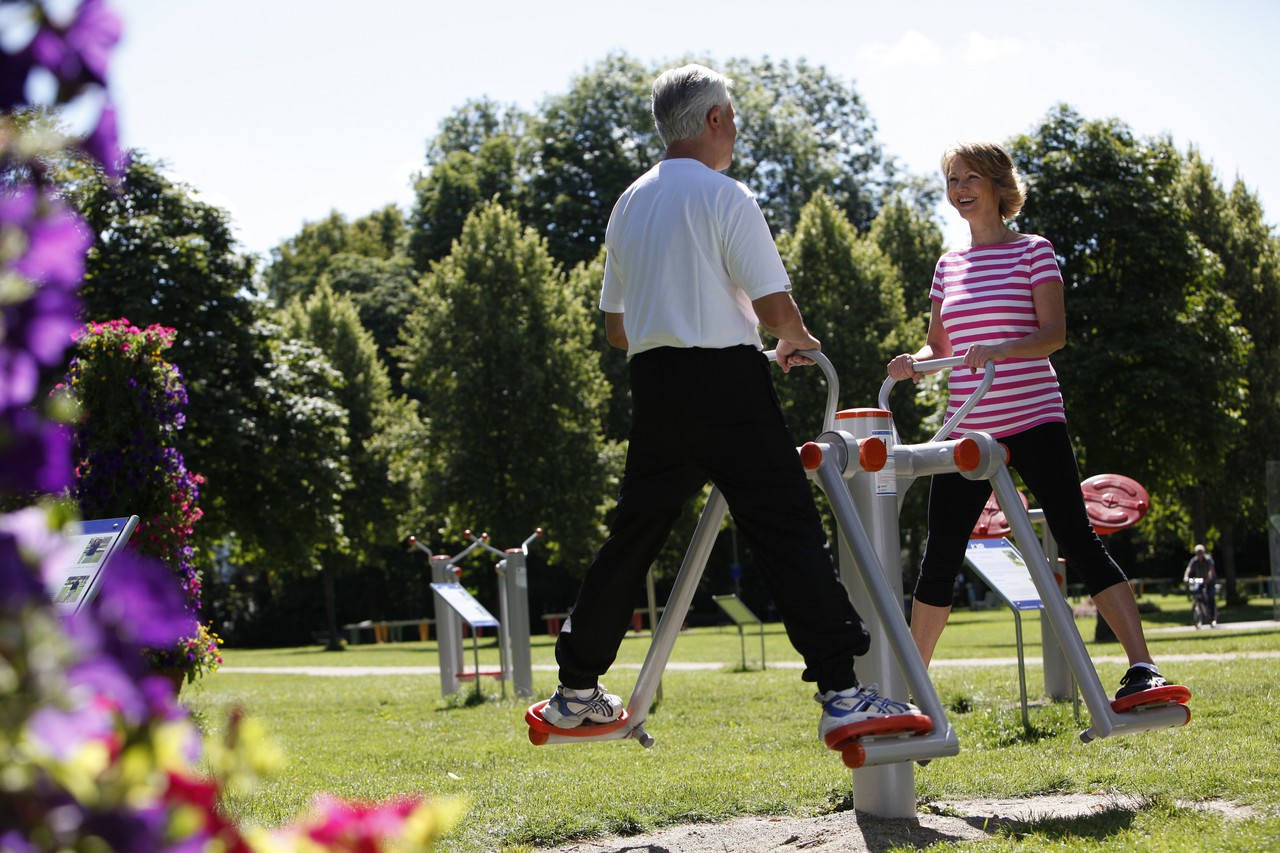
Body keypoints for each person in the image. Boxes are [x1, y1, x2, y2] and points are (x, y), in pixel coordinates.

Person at [539, 63, 921, 746]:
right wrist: (796, 338)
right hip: (727, 386)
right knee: (786, 529)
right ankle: (842, 691)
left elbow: (617, 330)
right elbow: (775, 307)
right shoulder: (726, 195)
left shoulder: (629, 202)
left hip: (654, 386)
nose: (736, 131)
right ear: (714, 119)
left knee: (634, 534)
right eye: (734, 118)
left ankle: (575, 689)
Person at [886, 141, 1182, 704]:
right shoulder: (948, 265)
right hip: (968, 428)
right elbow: (937, 347)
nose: (959, 188)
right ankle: (910, 691)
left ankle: (1144, 668)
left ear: (999, 185)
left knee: (1077, 538)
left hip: (1033, 416)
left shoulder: (1033, 251)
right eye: (952, 179)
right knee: (940, 553)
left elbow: (1053, 334)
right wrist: (913, 363)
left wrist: (999, 348)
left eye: (971, 177)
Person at [1183, 544, 1218, 626]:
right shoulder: (1194, 561)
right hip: (1199, 580)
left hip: (1209, 581)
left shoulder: (1208, 559)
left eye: (1200, 552)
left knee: (1210, 596)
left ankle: (1212, 617)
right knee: (1196, 591)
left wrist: (1208, 578)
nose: (1199, 554)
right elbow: (1189, 569)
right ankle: (1199, 606)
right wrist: (1186, 577)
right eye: (1198, 552)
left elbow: (1211, 570)